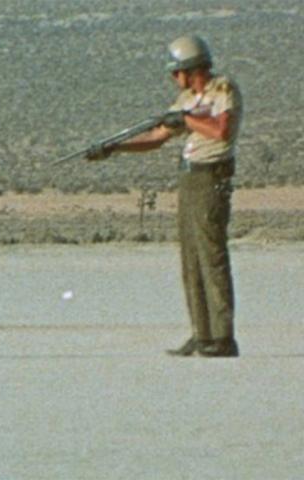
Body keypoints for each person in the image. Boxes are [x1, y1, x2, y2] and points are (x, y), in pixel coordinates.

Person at [87, 35, 243, 357]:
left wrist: (186, 120)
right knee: (191, 258)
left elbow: (221, 131)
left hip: (211, 176)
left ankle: (223, 337)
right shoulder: (186, 99)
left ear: (191, 68)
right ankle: (201, 334)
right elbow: (157, 136)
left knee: (211, 256)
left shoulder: (222, 89)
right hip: (190, 177)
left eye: (176, 72)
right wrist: (115, 148)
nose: (174, 78)